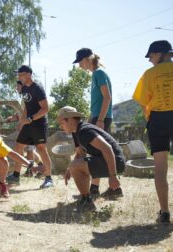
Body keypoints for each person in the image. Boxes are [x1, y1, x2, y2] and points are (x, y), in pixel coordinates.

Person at [133, 40, 173, 224]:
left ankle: (164, 212)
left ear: (160, 54)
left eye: (150, 56)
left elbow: (142, 101)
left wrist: (149, 115)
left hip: (158, 119)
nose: (149, 60)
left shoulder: (149, 74)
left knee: (160, 168)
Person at [58, 106, 125, 212]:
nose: (61, 127)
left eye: (62, 123)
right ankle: (95, 196)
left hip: (116, 162)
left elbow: (107, 149)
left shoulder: (85, 131)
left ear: (70, 120)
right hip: (109, 161)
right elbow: (80, 153)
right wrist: (70, 169)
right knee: (75, 165)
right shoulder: (76, 132)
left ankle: (86, 202)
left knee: (75, 165)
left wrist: (113, 176)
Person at [73, 48, 114, 197]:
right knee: (96, 152)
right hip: (97, 117)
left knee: (100, 152)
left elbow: (107, 97)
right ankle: (95, 188)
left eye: (80, 62)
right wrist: (92, 119)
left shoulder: (99, 73)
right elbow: (98, 101)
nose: (79, 66)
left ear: (88, 59)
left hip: (102, 118)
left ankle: (113, 187)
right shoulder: (96, 74)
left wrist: (100, 120)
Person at [7, 65, 53, 189]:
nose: (18, 77)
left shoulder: (37, 88)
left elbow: (45, 109)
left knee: (41, 149)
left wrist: (30, 119)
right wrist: (22, 121)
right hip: (28, 124)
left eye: (20, 74)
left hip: (39, 123)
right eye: (18, 74)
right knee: (18, 146)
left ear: (28, 75)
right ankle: (16, 176)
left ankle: (49, 178)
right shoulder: (25, 89)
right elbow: (27, 108)